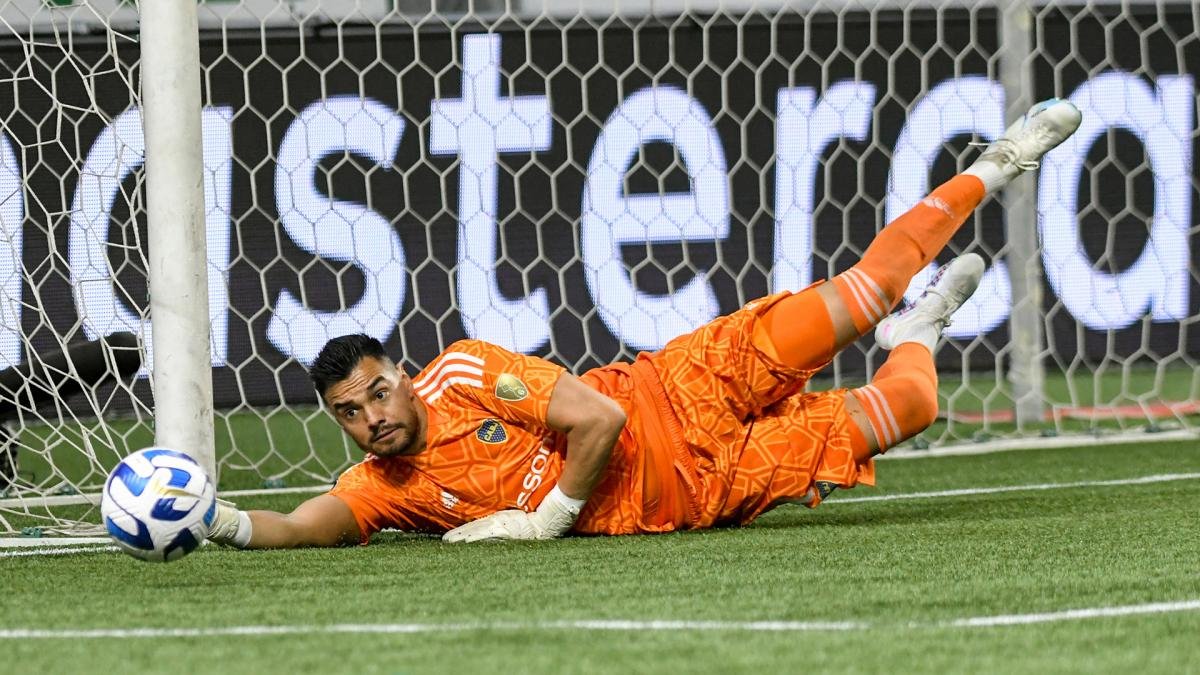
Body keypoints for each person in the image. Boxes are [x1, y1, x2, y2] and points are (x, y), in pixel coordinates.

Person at [205, 98, 1082, 548]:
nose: (373, 419)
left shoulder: (468, 371)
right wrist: (214, 522)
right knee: (908, 411)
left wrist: (543, 518)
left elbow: (601, 418)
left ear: (399, 370)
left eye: (377, 393)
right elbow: (302, 526)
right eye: (351, 414)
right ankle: (922, 334)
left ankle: (1001, 162)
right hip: (694, 492)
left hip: (678, 384)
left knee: (861, 291)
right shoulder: (384, 484)